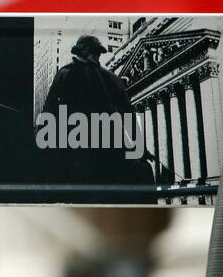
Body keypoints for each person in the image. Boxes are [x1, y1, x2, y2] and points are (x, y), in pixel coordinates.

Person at [38, 34, 156, 193]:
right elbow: (127, 114)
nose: (98, 56)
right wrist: (139, 148)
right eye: (96, 52)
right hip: (102, 150)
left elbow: (49, 112)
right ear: (86, 51)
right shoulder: (109, 78)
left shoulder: (65, 74)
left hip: (79, 149)